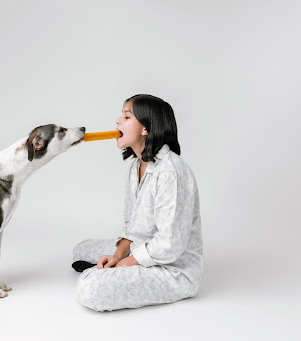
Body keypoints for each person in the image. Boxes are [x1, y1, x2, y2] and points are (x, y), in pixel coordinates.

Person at [72, 94, 203, 312]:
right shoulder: (136, 167)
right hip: (141, 247)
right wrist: (117, 255)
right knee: (81, 250)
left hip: (172, 268)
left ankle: (104, 277)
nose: (117, 121)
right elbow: (132, 227)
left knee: (89, 289)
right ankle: (110, 272)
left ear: (146, 129)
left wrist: (123, 264)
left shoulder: (170, 172)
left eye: (126, 117)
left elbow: (169, 245)